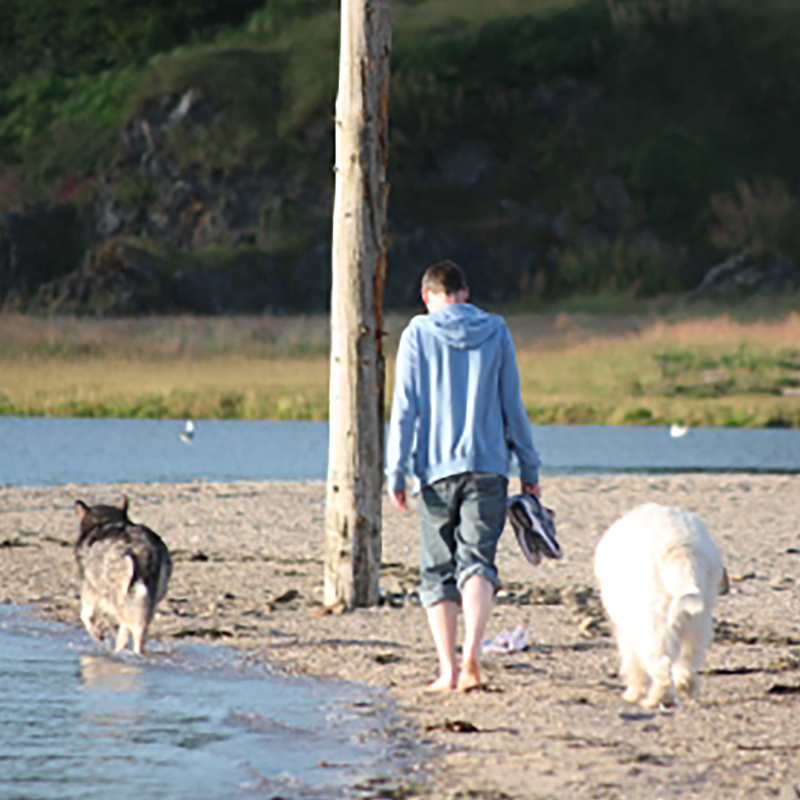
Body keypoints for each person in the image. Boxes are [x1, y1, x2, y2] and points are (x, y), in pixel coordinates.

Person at [386, 260, 540, 692]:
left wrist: (395, 470)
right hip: (489, 466)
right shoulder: (496, 330)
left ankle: (448, 670)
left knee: (438, 571)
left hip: (434, 470)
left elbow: (405, 411)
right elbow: (513, 406)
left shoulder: (417, 333)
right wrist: (529, 467)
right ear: (465, 293)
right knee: (478, 563)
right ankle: (474, 653)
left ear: (426, 296)